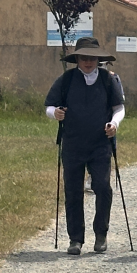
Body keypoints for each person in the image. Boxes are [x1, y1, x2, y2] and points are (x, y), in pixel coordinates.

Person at [45, 37, 126, 255]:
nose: (88, 62)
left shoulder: (108, 80)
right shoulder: (67, 79)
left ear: (98, 59)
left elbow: (119, 108)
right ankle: (75, 239)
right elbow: (49, 106)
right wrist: (55, 113)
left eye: (92, 58)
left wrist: (114, 124)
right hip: (72, 144)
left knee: (103, 187)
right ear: (77, 59)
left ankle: (101, 234)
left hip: (100, 144)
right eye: (84, 58)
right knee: (73, 191)